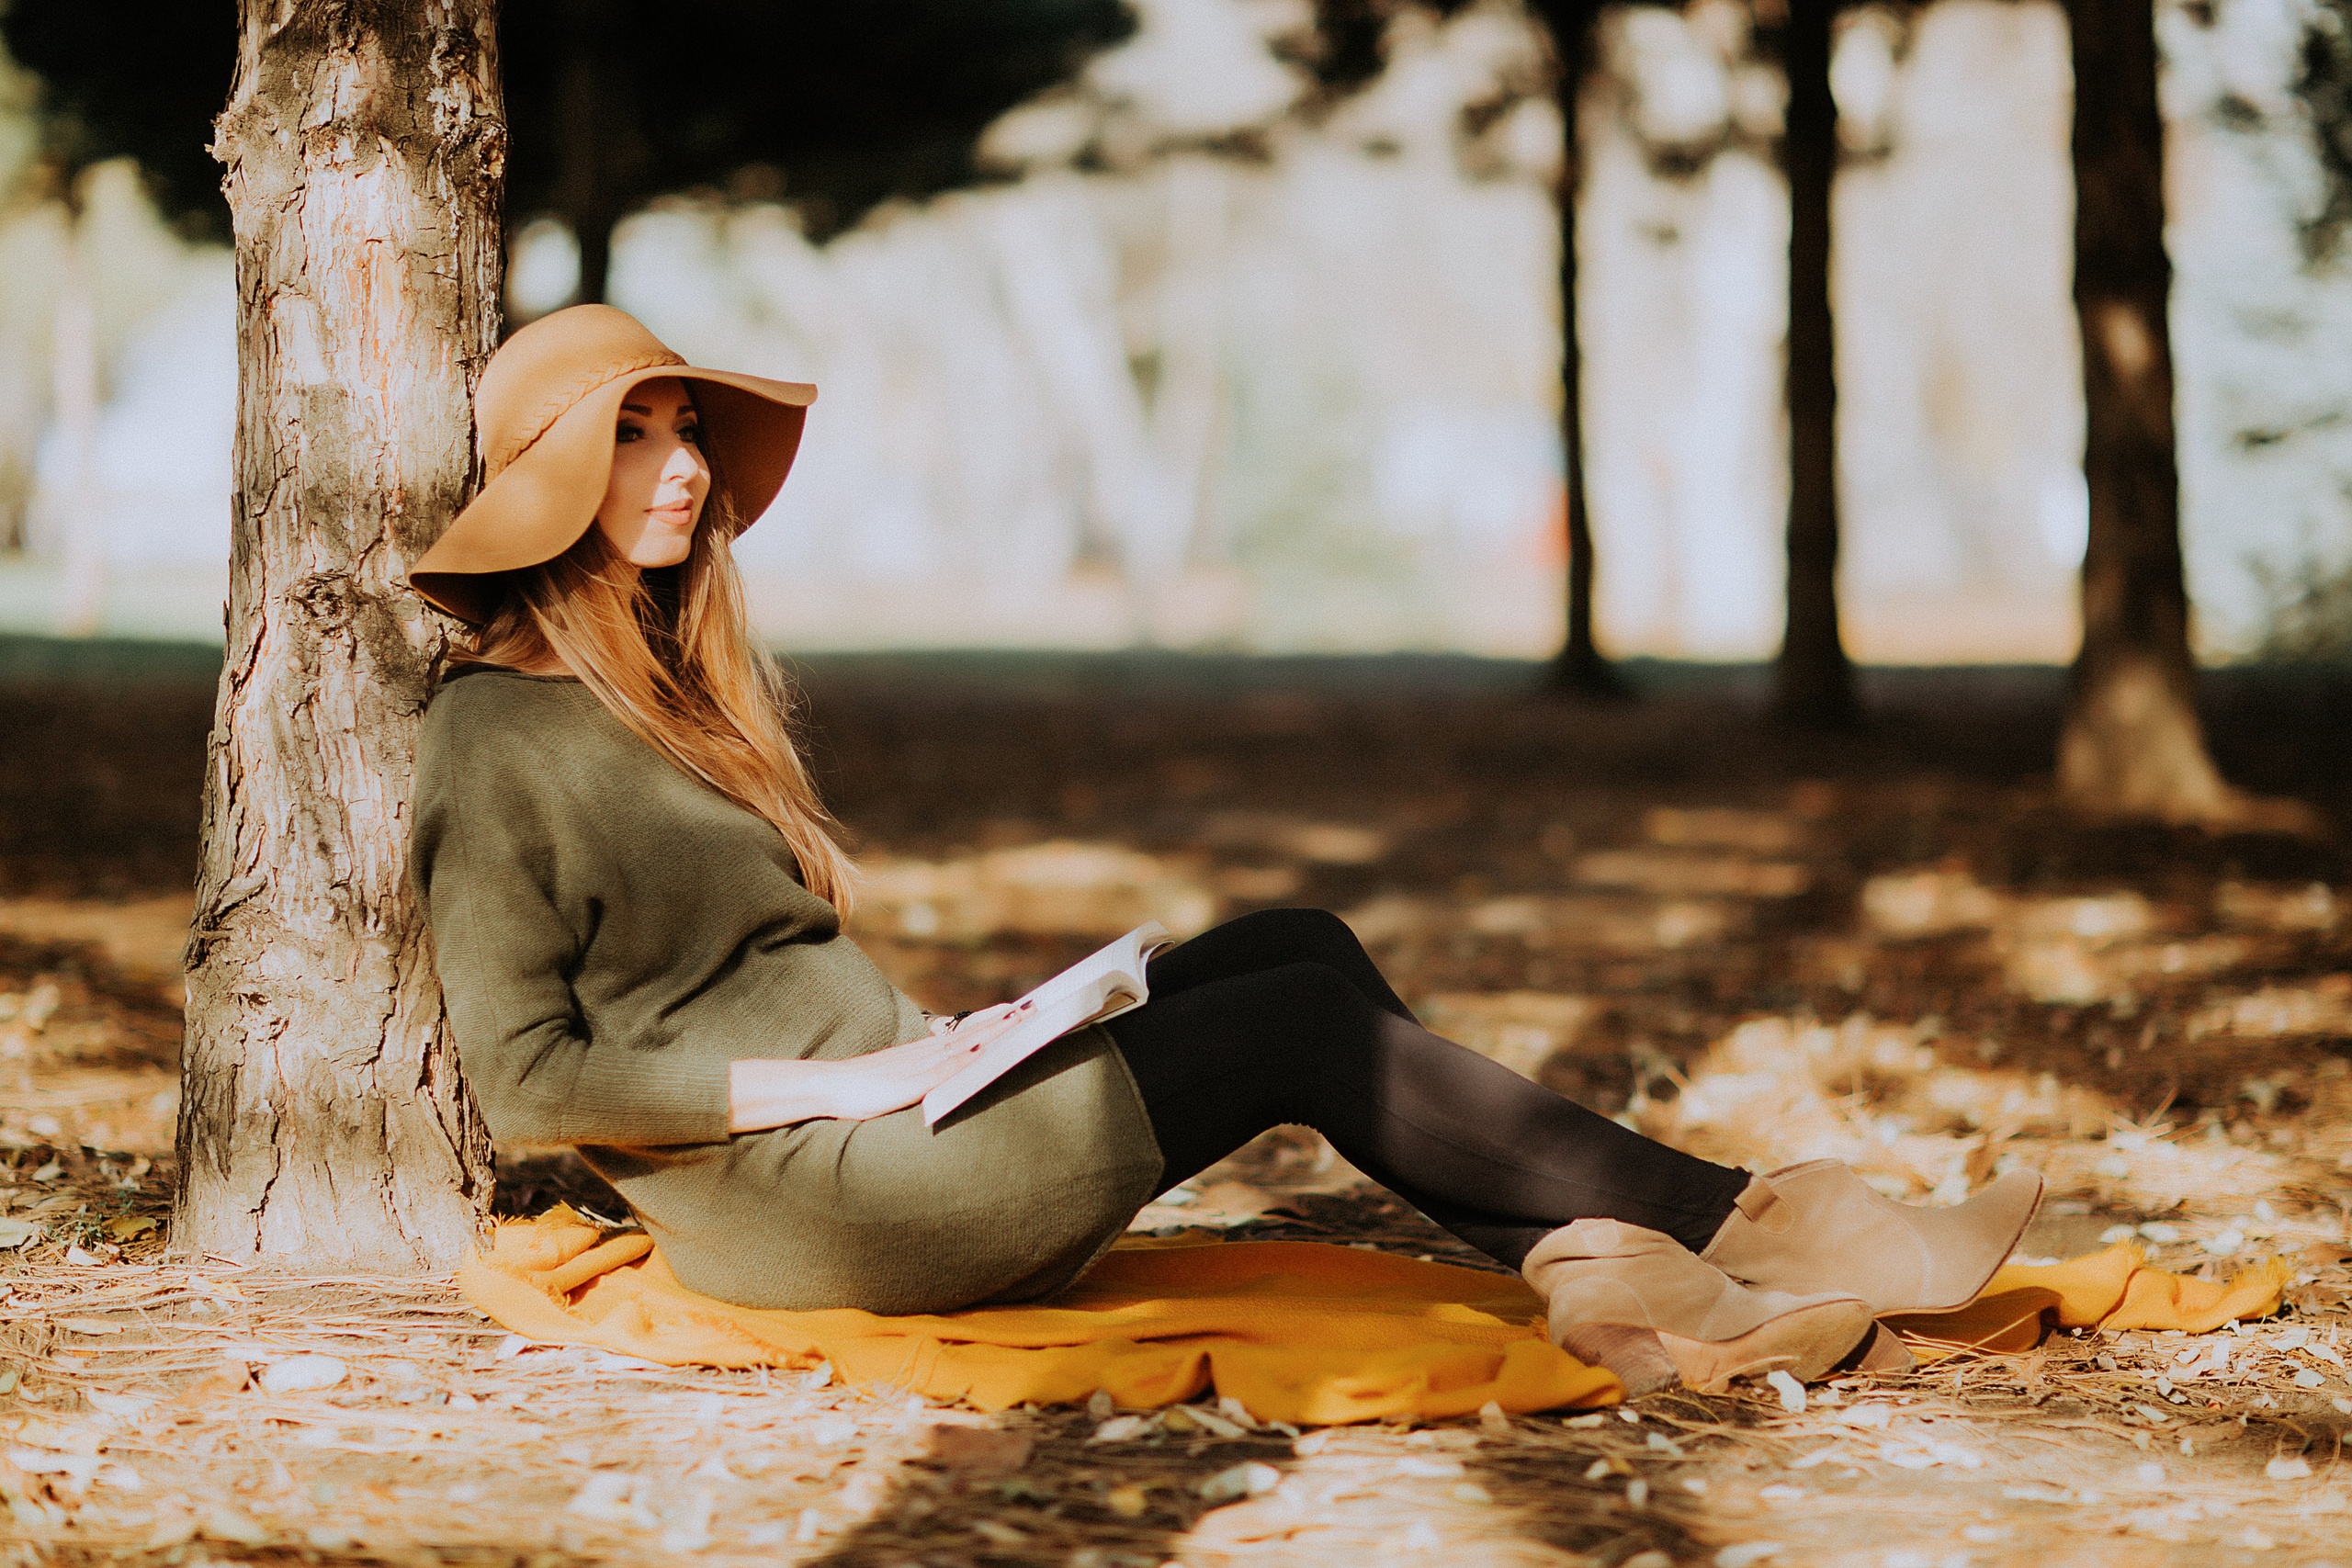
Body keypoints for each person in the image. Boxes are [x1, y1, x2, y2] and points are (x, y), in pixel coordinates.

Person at [407, 306, 2042, 1397]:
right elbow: (534, 1083)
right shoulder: (491, 739)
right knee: (1300, 1031)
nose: (684, 465)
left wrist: (944, 1045)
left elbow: (758, 984)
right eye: (636, 437)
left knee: (1297, 944)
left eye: (687, 427)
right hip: (824, 1204)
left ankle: (1636, 1270)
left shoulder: (667, 698)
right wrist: (846, 1089)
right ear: (552, 483)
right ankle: (1760, 1227)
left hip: (909, 1113)